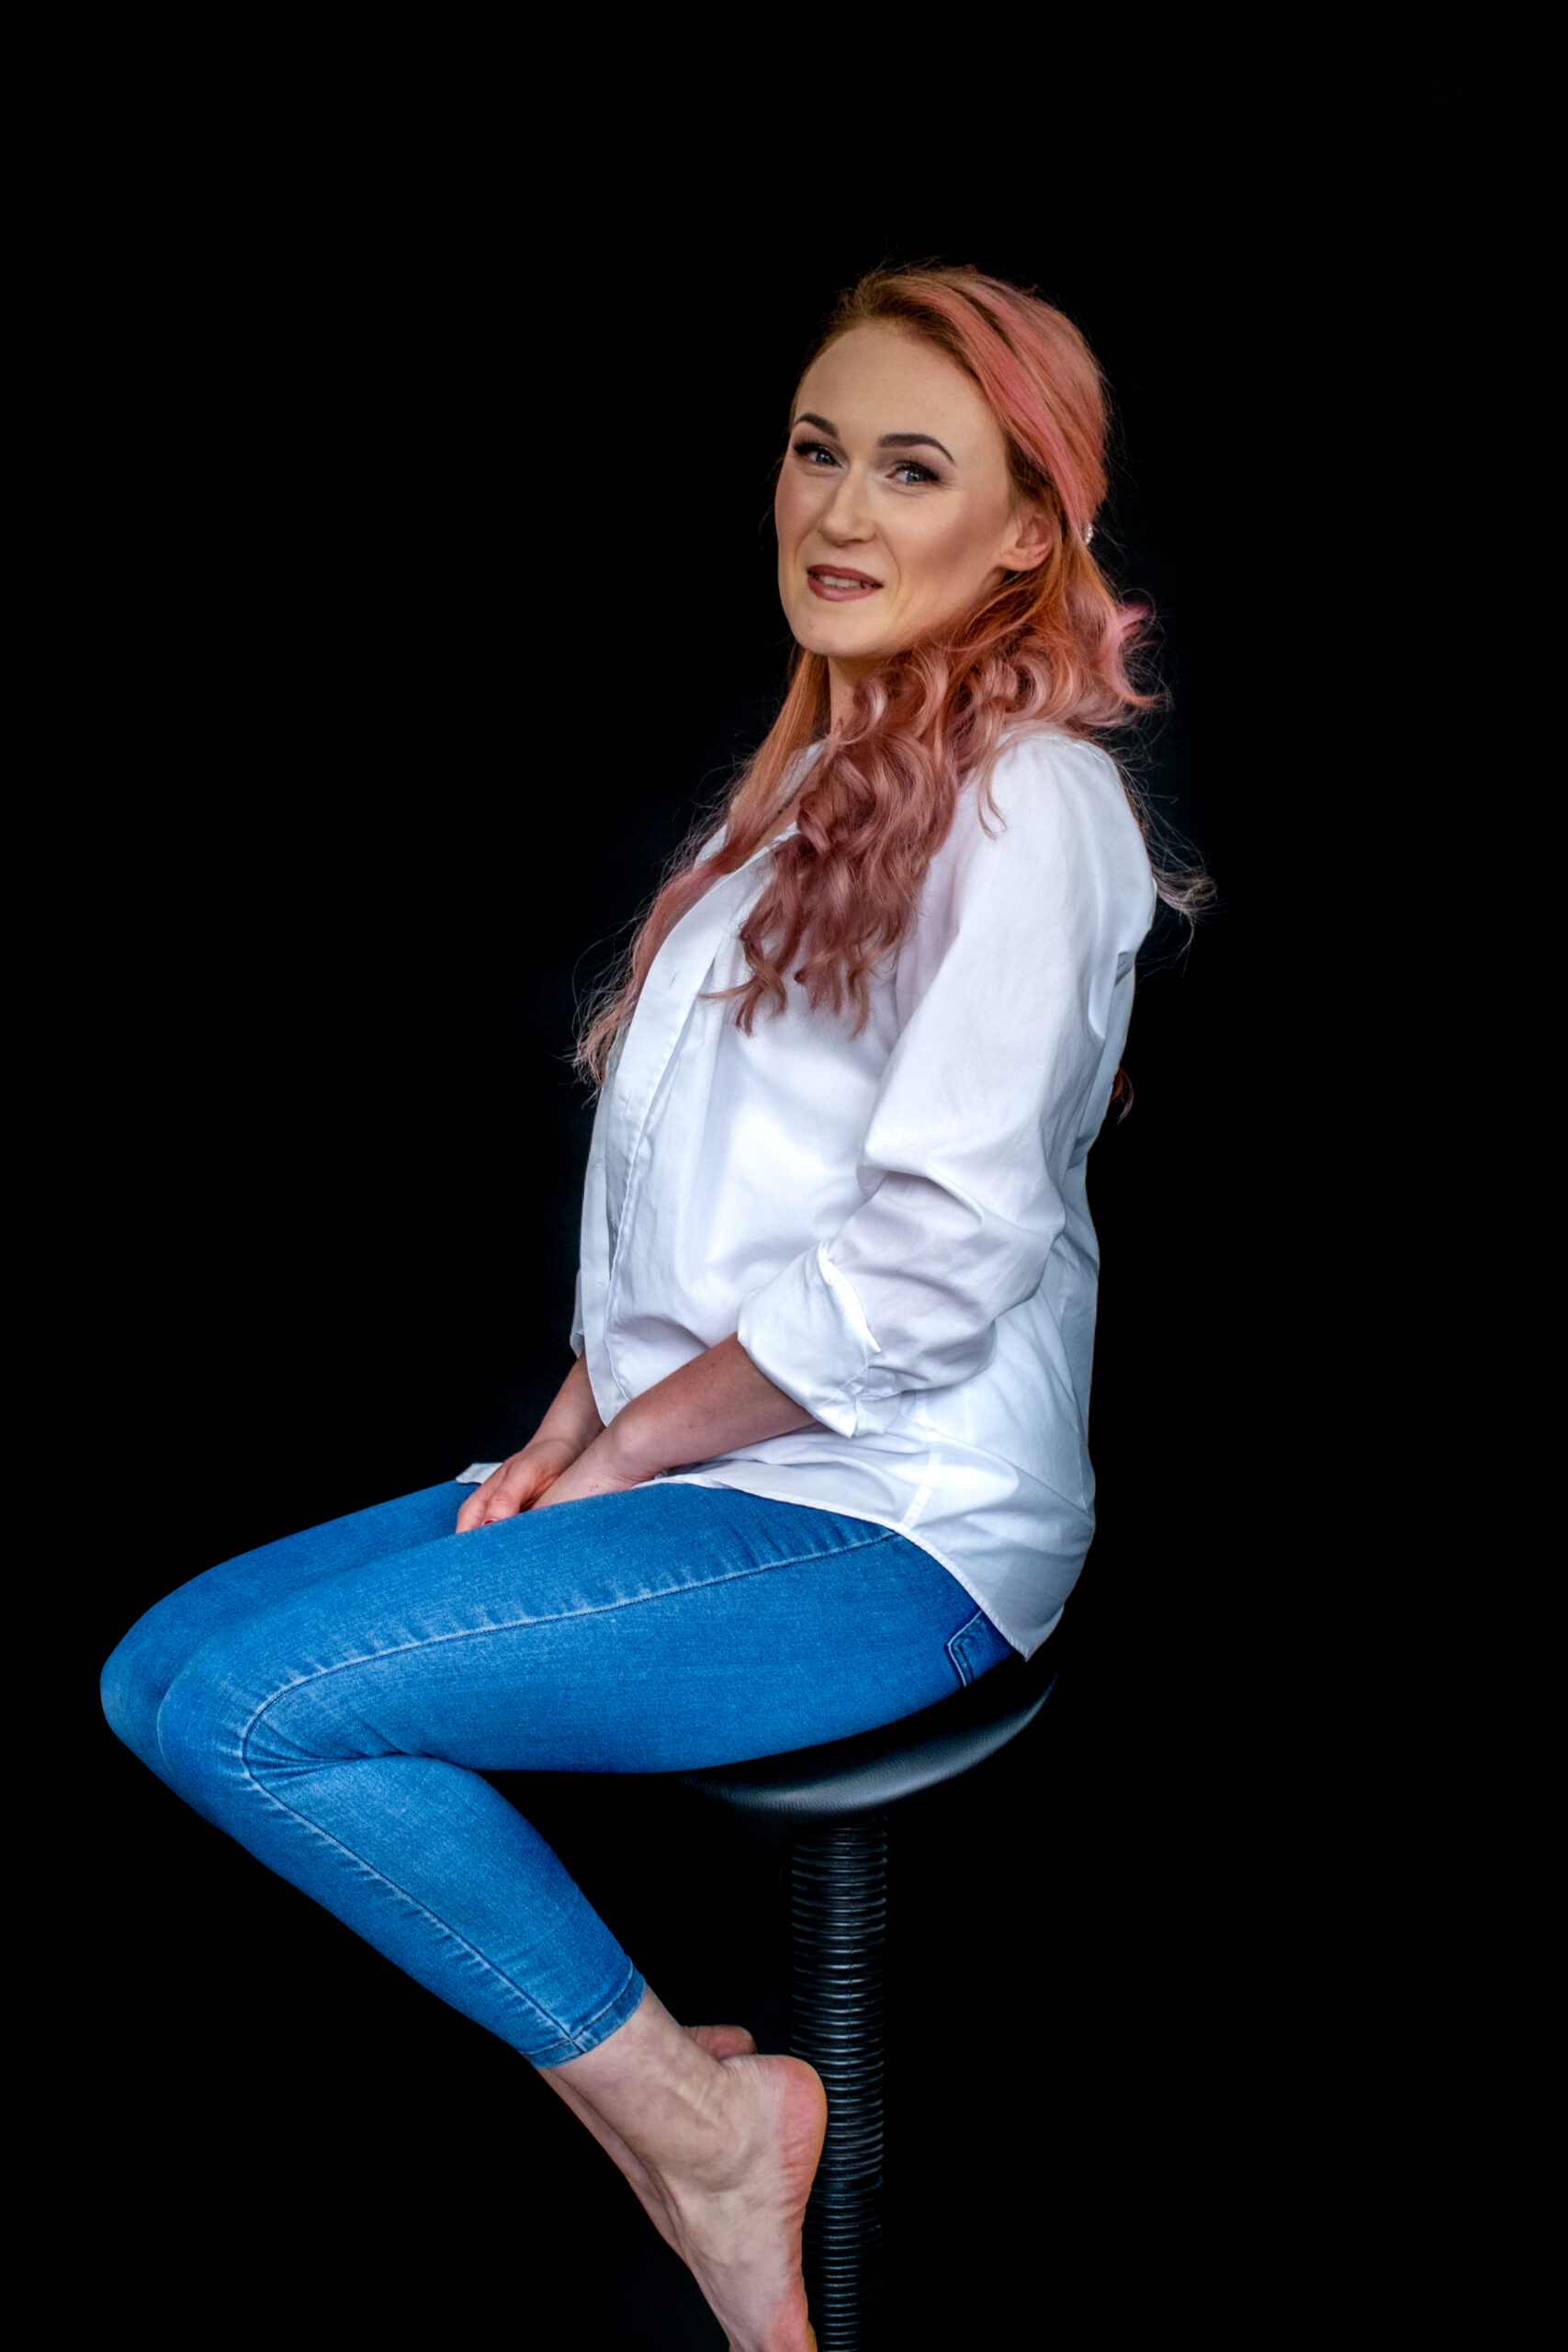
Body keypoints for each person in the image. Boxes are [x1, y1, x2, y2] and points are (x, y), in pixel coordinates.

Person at [101, 263, 1197, 2352]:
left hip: (895, 1524)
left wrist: (623, 1455)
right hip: (720, 1462)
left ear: (1024, 530)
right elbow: (691, 1217)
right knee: (162, 1675)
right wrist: (567, 1421)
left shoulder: (1030, 805)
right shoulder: (804, 791)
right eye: (815, 451)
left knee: (258, 1714)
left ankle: (705, 2133)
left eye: (912, 469)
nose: (839, 511)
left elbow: (928, 1263)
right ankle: (698, 2116)